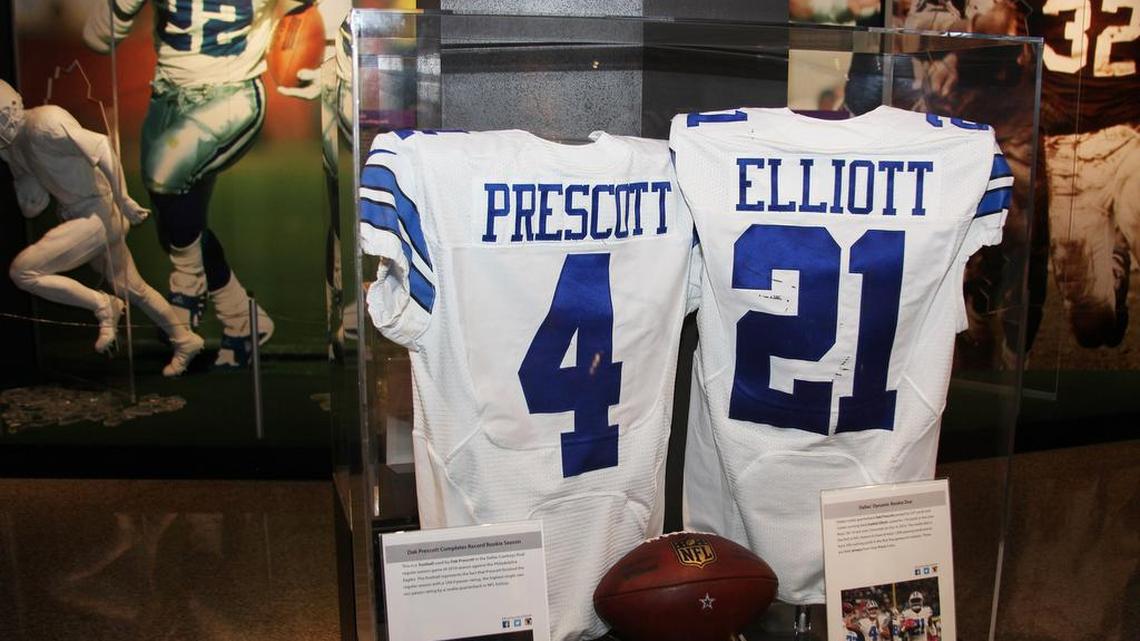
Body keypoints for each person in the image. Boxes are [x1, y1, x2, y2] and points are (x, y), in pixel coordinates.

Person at [82, 0, 315, 368]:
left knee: (165, 181)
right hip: (167, 99)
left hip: (232, 96)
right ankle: (243, 321)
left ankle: (186, 290)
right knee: (176, 225)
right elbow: (97, 39)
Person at [0, 79, 204, 376]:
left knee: (24, 271)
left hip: (96, 213)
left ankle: (103, 306)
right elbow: (34, 204)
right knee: (133, 288)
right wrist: (25, 184)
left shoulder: (45, 122)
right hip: (79, 215)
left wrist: (122, 197)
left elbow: (101, 145)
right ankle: (185, 339)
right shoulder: (15, 147)